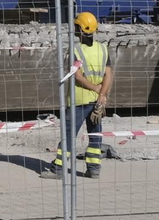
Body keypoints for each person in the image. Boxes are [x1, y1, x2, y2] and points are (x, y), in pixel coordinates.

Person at [43, 12, 113, 180]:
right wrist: (102, 94)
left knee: (68, 135)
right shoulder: (103, 49)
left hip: (79, 100)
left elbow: (78, 76)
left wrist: (96, 89)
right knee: (95, 135)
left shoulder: (76, 50)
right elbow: (109, 75)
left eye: (76, 27)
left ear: (80, 30)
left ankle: (58, 168)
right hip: (97, 102)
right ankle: (94, 169)